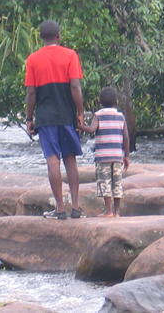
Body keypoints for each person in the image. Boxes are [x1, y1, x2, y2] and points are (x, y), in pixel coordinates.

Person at [25, 20, 85, 220]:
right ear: (58, 36)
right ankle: (76, 207)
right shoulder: (70, 55)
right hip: (67, 115)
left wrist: (29, 118)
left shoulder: (33, 59)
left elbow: (31, 93)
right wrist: (80, 113)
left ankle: (59, 208)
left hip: (45, 117)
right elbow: (75, 86)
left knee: (52, 160)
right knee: (70, 159)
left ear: (41, 38)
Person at [79, 86, 130, 217]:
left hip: (103, 157)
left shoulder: (99, 115)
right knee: (117, 183)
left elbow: (91, 129)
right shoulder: (120, 116)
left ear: (100, 102)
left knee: (105, 183)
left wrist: (79, 126)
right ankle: (117, 212)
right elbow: (126, 137)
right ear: (116, 102)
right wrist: (127, 156)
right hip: (117, 156)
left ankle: (108, 211)